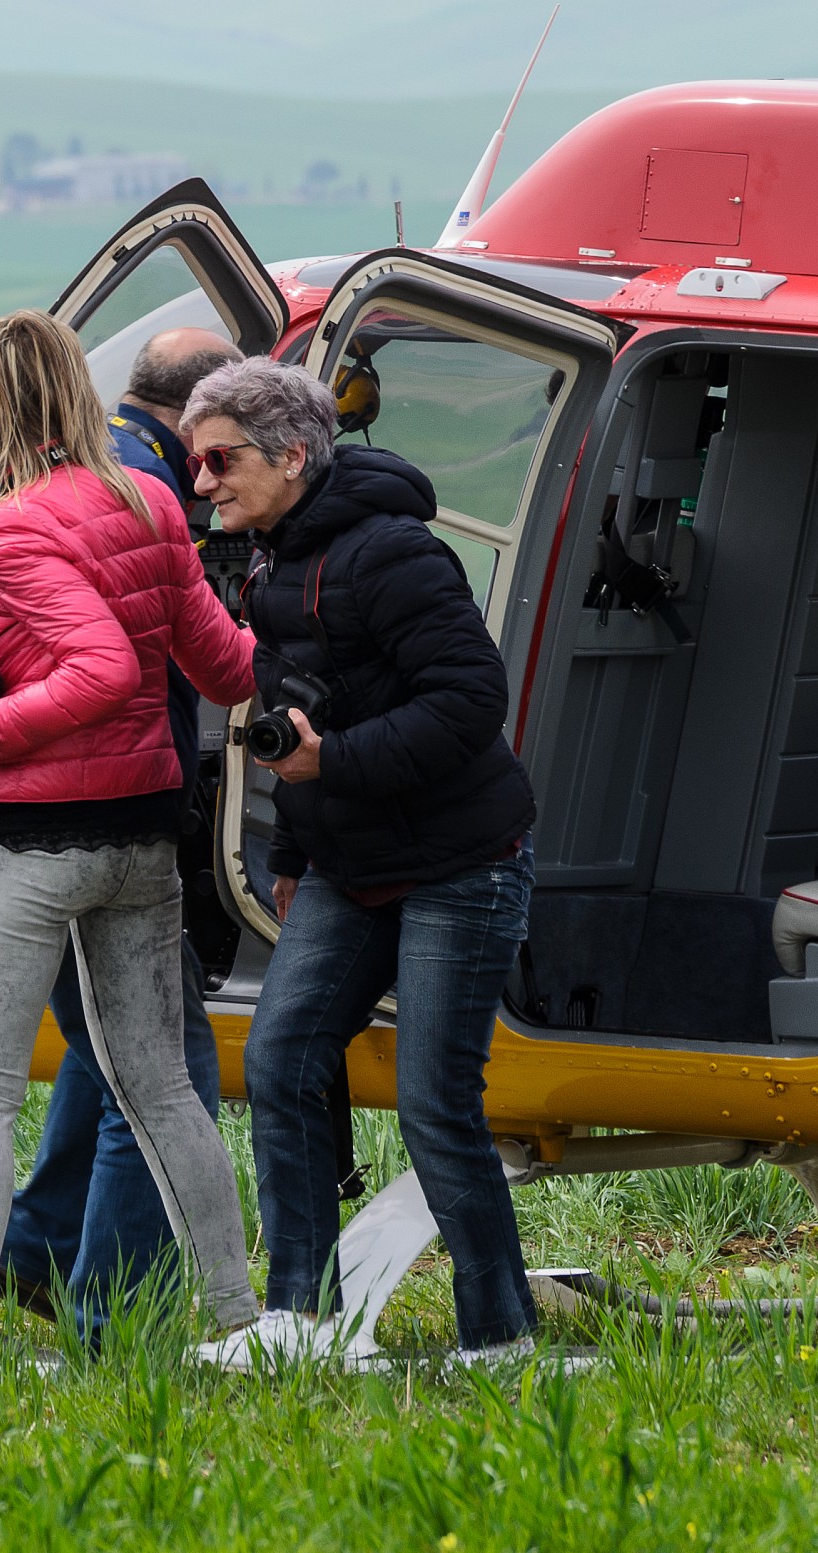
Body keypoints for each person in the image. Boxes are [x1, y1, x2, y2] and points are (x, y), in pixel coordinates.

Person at [0, 310, 261, 1377]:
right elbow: (228, 669)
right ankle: (239, 1316)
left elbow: (93, 667)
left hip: (28, 842)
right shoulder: (150, 498)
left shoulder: (6, 526)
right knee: (161, 1086)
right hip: (142, 839)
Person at [178, 358, 540, 1369]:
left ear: (293, 455)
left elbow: (473, 699)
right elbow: (302, 701)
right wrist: (295, 844)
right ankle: (300, 1317)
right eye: (196, 460)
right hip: (349, 856)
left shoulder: (393, 555)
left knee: (433, 1099)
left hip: (464, 860)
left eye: (221, 458)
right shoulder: (269, 557)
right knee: (286, 1056)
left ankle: (500, 1331)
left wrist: (334, 760)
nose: (203, 481)